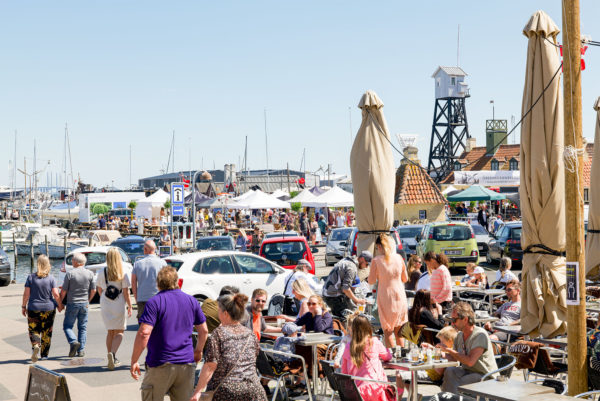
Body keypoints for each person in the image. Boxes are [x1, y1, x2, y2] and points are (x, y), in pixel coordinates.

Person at [130, 267, 208, 401]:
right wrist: (198, 351)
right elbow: (204, 331)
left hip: (161, 363)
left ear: (158, 283)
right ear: (178, 282)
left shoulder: (154, 302)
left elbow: (144, 333)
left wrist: (134, 360)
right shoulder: (192, 301)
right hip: (186, 364)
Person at [190, 293, 267, 401]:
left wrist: (197, 391)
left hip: (227, 390)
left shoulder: (219, 333)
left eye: (219, 311)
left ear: (225, 313)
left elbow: (210, 366)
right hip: (253, 389)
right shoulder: (250, 334)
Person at [341, 314, 402, 401]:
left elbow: (344, 372)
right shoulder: (374, 342)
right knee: (396, 386)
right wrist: (386, 346)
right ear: (368, 327)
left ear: (353, 329)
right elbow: (388, 357)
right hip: (377, 388)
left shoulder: (348, 347)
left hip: (357, 392)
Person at [440, 302, 498, 393]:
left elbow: (470, 362)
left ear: (465, 319)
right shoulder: (459, 335)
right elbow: (454, 359)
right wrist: (440, 352)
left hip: (485, 376)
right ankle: (448, 397)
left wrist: (449, 350)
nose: (452, 323)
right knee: (450, 370)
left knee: (463, 381)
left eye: (454, 320)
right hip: (467, 371)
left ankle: (455, 397)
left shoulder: (480, 335)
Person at [368, 234, 408, 348]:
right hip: (400, 295)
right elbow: (405, 278)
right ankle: (402, 356)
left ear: (379, 246)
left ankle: (392, 357)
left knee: (388, 330)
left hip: (386, 296)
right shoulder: (399, 258)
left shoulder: (376, 260)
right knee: (399, 330)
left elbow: (371, 281)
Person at [96, 248, 132, 370]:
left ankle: (110, 356)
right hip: (118, 303)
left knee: (110, 331)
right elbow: (126, 293)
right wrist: (130, 306)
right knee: (120, 332)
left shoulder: (102, 271)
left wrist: (104, 298)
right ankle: (113, 354)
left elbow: (99, 289)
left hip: (106, 303)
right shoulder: (123, 272)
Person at [22, 255, 62, 362]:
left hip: (33, 308)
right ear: (48, 264)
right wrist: (60, 305)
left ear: (38, 264)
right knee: (47, 331)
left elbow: (26, 294)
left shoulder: (31, 277)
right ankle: (44, 355)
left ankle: (36, 345)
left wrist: (23, 306)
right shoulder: (51, 278)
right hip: (49, 308)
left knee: (34, 330)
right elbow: (56, 294)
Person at [59, 253, 96, 357]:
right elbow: (93, 290)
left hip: (72, 303)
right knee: (82, 327)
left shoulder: (70, 274)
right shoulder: (90, 273)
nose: (71, 262)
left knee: (67, 326)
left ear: (76, 262)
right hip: (84, 303)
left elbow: (64, 291)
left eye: (73, 260)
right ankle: (81, 350)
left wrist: (61, 302)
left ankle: (73, 341)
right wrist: (88, 300)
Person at [322, 251, 370, 318]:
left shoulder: (346, 260)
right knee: (347, 319)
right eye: (367, 264)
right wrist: (357, 300)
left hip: (329, 293)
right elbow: (346, 289)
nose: (366, 267)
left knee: (343, 316)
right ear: (362, 259)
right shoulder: (352, 268)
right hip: (333, 296)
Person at [131, 240, 167, 322]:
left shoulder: (137, 264)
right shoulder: (162, 263)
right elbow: (166, 282)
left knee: (144, 326)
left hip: (142, 299)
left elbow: (133, 282)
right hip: (159, 299)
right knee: (159, 326)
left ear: (145, 249)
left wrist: (136, 298)